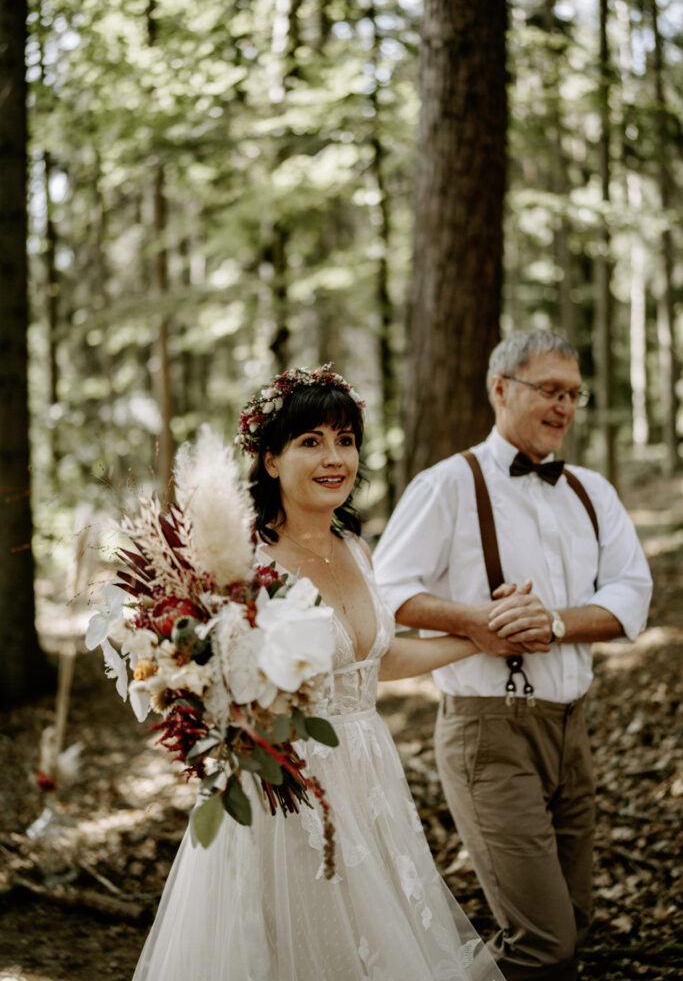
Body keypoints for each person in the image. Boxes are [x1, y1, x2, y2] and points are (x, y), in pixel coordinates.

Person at [132, 364, 505, 981]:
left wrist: (474, 638)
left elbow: (369, 665)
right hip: (283, 787)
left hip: (368, 773)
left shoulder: (356, 548)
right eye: (311, 442)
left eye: (346, 439)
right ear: (271, 460)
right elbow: (199, 679)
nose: (335, 457)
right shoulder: (241, 561)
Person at [373, 330, 653, 981]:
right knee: (542, 942)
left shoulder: (591, 491)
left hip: (570, 729)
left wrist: (552, 622)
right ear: (500, 389)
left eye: (573, 395)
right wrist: (472, 621)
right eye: (549, 391)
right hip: (487, 732)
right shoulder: (446, 485)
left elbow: (631, 594)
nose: (563, 407)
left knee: (572, 925)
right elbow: (382, 593)